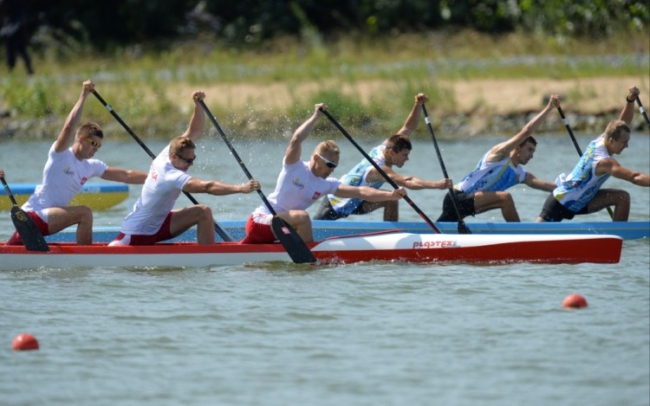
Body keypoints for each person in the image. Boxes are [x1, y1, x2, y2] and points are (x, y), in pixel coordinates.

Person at [6, 80, 148, 246]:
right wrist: (84, 95)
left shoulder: (92, 166)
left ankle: (83, 254)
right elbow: (68, 127)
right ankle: (86, 256)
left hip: (46, 219)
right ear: (80, 138)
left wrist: (155, 176)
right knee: (84, 213)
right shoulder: (60, 154)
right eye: (93, 143)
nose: (96, 148)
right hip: (31, 216)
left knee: (8, 251)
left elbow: (126, 176)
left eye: (99, 145)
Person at [109, 91, 260, 246]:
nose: (191, 164)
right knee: (203, 211)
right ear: (174, 156)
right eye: (187, 160)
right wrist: (240, 188)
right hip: (136, 234)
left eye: (193, 159)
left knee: (203, 212)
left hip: (157, 226)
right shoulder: (170, 175)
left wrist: (198, 105)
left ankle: (208, 255)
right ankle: (210, 256)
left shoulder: (167, 153)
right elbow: (208, 187)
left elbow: (194, 131)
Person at [241, 103, 406, 244]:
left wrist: (391, 195)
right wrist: (316, 116)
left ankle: (303, 256)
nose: (332, 169)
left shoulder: (326, 184)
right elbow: (296, 139)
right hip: (260, 222)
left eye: (335, 166)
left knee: (301, 219)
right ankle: (311, 262)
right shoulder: (294, 166)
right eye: (329, 164)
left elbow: (361, 191)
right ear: (315, 158)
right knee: (303, 217)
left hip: (282, 228)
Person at [314, 93, 451, 222]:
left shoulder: (384, 147)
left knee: (392, 199)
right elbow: (407, 181)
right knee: (312, 230)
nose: (407, 159)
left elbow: (407, 128)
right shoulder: (379, 169)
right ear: (391, 152)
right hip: (336, 203)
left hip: (359, 201)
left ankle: (392, 234)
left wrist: (418, 105)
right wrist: (436, 185)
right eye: (404, 155)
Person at [436, 95, 561, 223]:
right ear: (518, 147)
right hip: (457, 197)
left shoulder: (521, 175)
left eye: (533, 152)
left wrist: (570, 187)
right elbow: (526, 132)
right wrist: (549, 108)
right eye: (529, 150)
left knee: (439, 228)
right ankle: (520, 233)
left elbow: (550, 186)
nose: (532, 155)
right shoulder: (499, 155)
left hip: (469, 205)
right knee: (505, 198)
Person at [537, 86, 650, 222]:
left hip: (582, 201)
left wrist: (630, 101)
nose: (627, 146)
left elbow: (622, 124)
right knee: (534, 234)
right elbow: (634, 177)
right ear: (612, 141)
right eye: (624, 142)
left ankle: (618, 233)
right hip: (561, 202)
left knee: (622, 197)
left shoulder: (601, 140)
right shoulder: (605, 161)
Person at [0, 0, 34, 75]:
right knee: (20, 50)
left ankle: (12, 71)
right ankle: (28, 70)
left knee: (12, 50)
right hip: (19, 24)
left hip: (12, 24)